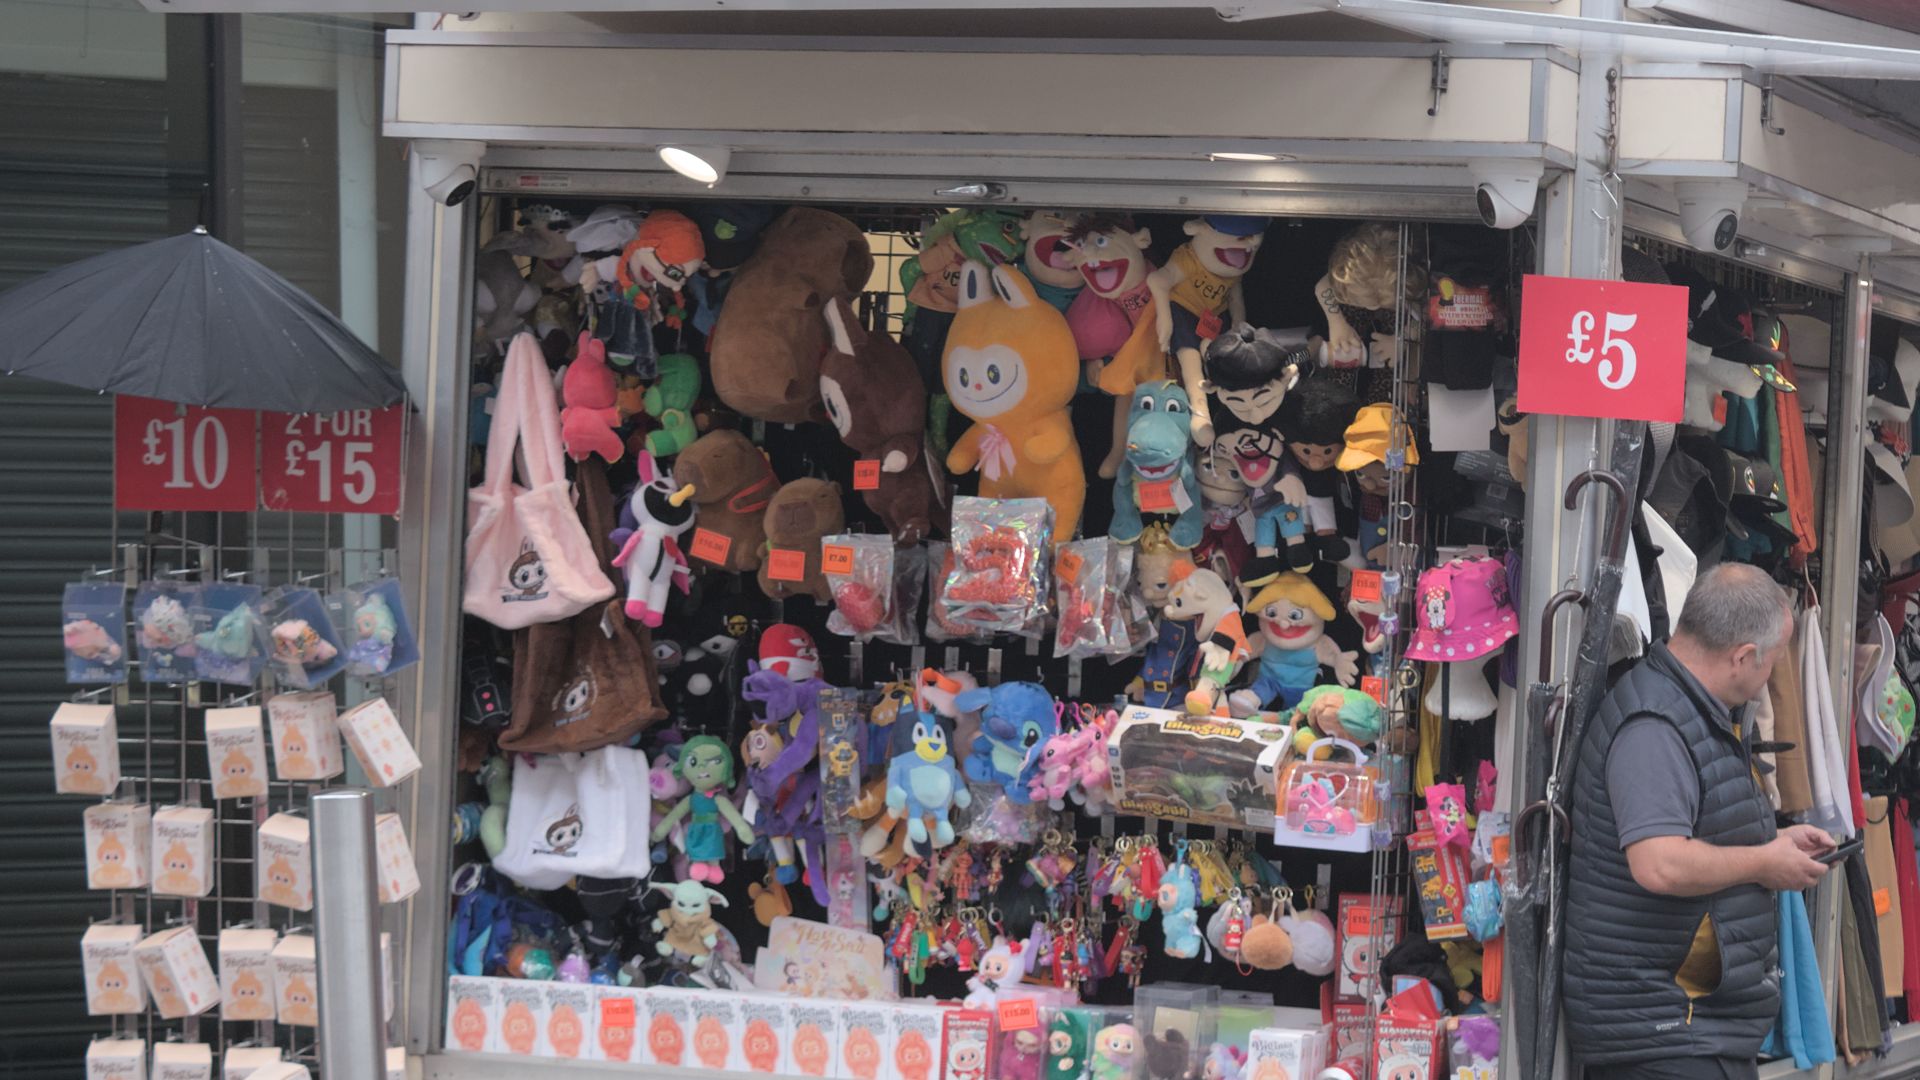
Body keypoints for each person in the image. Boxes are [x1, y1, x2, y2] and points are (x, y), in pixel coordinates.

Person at [1564, 563, 1836, 1080]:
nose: (1771, 675)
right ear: (1743, 657)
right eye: (1774, 660)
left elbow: (1689, 833)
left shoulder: (1687, 707)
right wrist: (1763, 861)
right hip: (1664, 1036)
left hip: (1685, 1029)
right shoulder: (1655, 725)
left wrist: (1774, 843)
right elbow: (1658, 863)